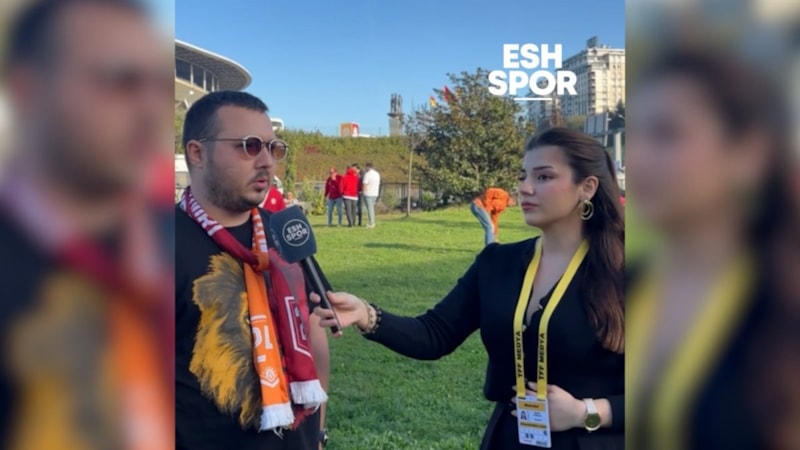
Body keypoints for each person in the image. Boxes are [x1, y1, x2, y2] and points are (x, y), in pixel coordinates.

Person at [314, 128, 625, 449]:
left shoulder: (627, 273)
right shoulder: (497, 263)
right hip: (510, 439)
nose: (524, 188)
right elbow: (435, 334)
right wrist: (365, 314)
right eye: (523, 176)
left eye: (543, 177)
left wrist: (586, 412)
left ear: (587, 187)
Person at [0, 0, 174, 449]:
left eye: (158, 87)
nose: (151, 112)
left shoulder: (158, 240)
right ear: (28, 91)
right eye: (119, 82)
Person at [626, 46, 794, 449]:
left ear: (748, 154)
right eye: (634, 136)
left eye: (666, 134)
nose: (637, 158)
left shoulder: (784, 304)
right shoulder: (629, 284)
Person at [176, 90, 331, 450]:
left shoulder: (285, 232)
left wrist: (319, 433)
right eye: (249, 146)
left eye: (273, 148)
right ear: (197, 153)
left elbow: (313, 331)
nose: (267, 162)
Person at [362, 162, 381, 228]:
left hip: (368, 193)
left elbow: (364, 184)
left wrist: (363, 192)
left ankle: (371, 223)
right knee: (371, 208)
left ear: (367, 167)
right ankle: (371, 221)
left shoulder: (367, 174)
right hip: (375, 193)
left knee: (370, 209)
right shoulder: (377, 174)